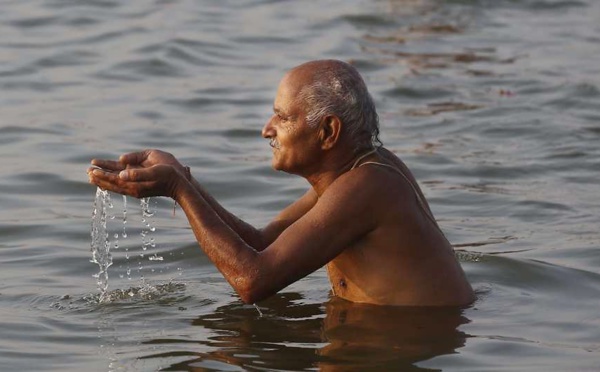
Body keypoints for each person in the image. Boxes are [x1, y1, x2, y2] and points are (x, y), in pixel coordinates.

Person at [87, 59, 474, 307]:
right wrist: (183, 177)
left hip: (402, 346)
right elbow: (262, 244)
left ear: (327, 132)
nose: (266, 130)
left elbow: (252, 281)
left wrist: (177, 189)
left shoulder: (368, 186)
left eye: (282, 117)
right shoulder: (357, 174)